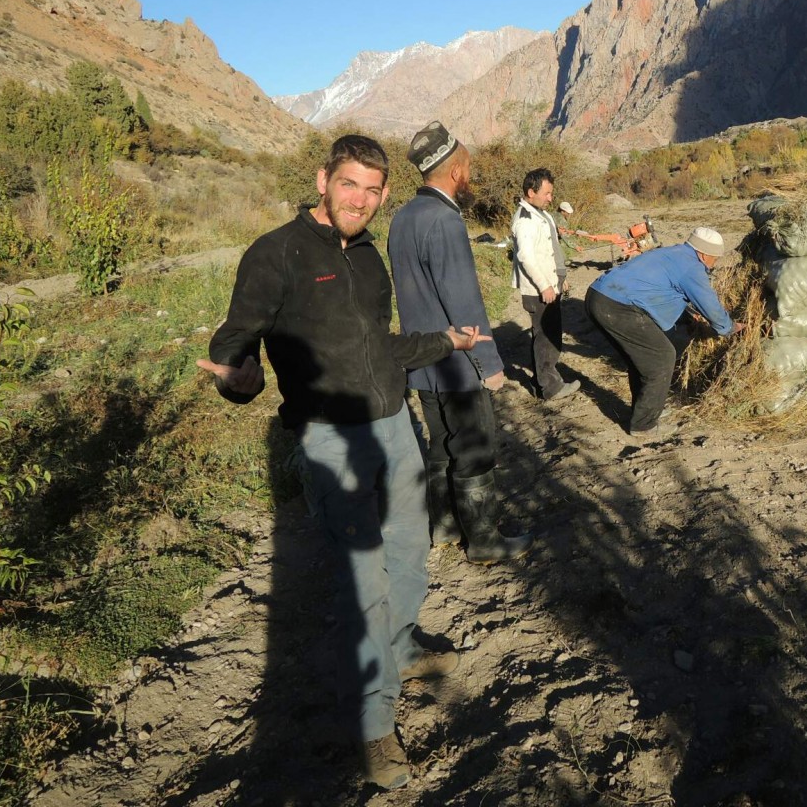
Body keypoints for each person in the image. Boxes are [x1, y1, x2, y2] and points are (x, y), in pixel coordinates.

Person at [197, 134, 483, 790]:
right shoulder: (278, 253)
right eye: (349, 183)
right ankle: (375, 728)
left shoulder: (367, 259)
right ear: (324, 179)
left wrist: (444, 342)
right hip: (331, 438)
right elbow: (236, 334)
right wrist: (234, 374)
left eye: (372, 189)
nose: (360, 198)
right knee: (365, 587)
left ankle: (404, 645)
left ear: (384, 195)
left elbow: (378, 344)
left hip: (393, 426)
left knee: (411, 552)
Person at [387, 121, 532, 564]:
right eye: (468, 167)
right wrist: (489, 364)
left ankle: (446, 527)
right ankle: (485, 542)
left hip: (422, 360)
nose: (471, 176)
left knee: (441, 444)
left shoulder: (403, 216)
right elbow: (462, 297)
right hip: (457, 360)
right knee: (474, 446)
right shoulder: (444, 220)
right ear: (455, 171)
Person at [585, 227, 741, 434]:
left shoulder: (674, 253)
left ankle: (646, 410)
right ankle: (644, 425)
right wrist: (729, 327)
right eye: (714, 258)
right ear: (704, 254)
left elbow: (663, 287)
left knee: (641, 360)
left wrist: (688, 313)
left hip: (599, 296)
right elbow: (710, 306)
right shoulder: (692, 267)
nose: (715, 263)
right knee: (661, 357)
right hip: (617, 306)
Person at [511, 168, 581, 401]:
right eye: (547, 193)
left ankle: (539, 382)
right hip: (539, 290)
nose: (551, 198)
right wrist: (544, 286)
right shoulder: (525, 220)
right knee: (546, 337)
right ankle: (550, 387)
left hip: (550, 285)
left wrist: (560, 278)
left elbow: (552, 252)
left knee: (547, 334)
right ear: (531, 192)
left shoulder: (541, 214)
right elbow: (526, 257)